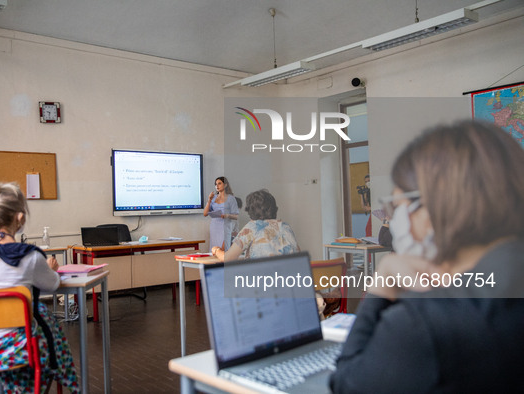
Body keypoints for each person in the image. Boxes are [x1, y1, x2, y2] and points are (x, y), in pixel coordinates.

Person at [329, 121, 524, 393]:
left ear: (431, 210)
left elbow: (347, 385)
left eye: (397, 207)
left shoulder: (422, 321)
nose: (394, 219)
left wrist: (382, 283)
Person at [0, 182, 80, 393]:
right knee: (45, 318)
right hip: (15, 349)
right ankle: (58, 378)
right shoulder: (29, 256)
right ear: (20, 217)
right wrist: (51, 269)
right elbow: (53, 284)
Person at [212, 189, 300, 262]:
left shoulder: (252, 227)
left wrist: (216, 250)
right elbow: (298, 255)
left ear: (251, 211)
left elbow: (227, 258)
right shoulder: (285, 227)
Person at [203, 176, 239, 252]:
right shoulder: (213, 198)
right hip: (214, 226)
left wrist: (227, 215)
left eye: (219, 183)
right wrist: (209, 200)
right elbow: (205, 213)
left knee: (223, 249)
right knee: (214, 248)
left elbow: (236, 216)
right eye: (216, 184)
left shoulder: (231, 198)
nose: (217, 186)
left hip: (225, 226)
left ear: (225, 185)